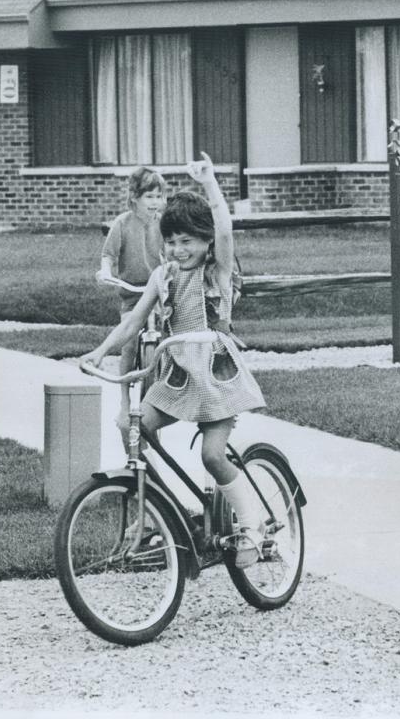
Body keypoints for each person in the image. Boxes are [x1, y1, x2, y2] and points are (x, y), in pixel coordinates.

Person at [78, 152, 268, 567]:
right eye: (171, 241)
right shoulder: (162, 276)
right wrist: (101, 351)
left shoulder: (215, 273)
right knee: (135, 429)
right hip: (178, 377)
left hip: (216, 377)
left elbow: (224, 227)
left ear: (204, 242)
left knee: (212, 456)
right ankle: (165, 515)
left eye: (188, 241)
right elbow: (132, 323)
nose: (179, 250)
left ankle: (253, 524)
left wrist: (210, 182)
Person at [96, 166, 168, 377]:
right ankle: (125, 402)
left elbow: (172, 252)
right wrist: (106, 271)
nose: (154, 202)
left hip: (159, 293)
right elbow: (108, 255)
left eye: (158, 196)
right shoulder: (122, 223)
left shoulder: (163, 223)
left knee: (169, 340)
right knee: (129, 345)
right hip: (133, 293)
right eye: (149, 196)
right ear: (134, 197)